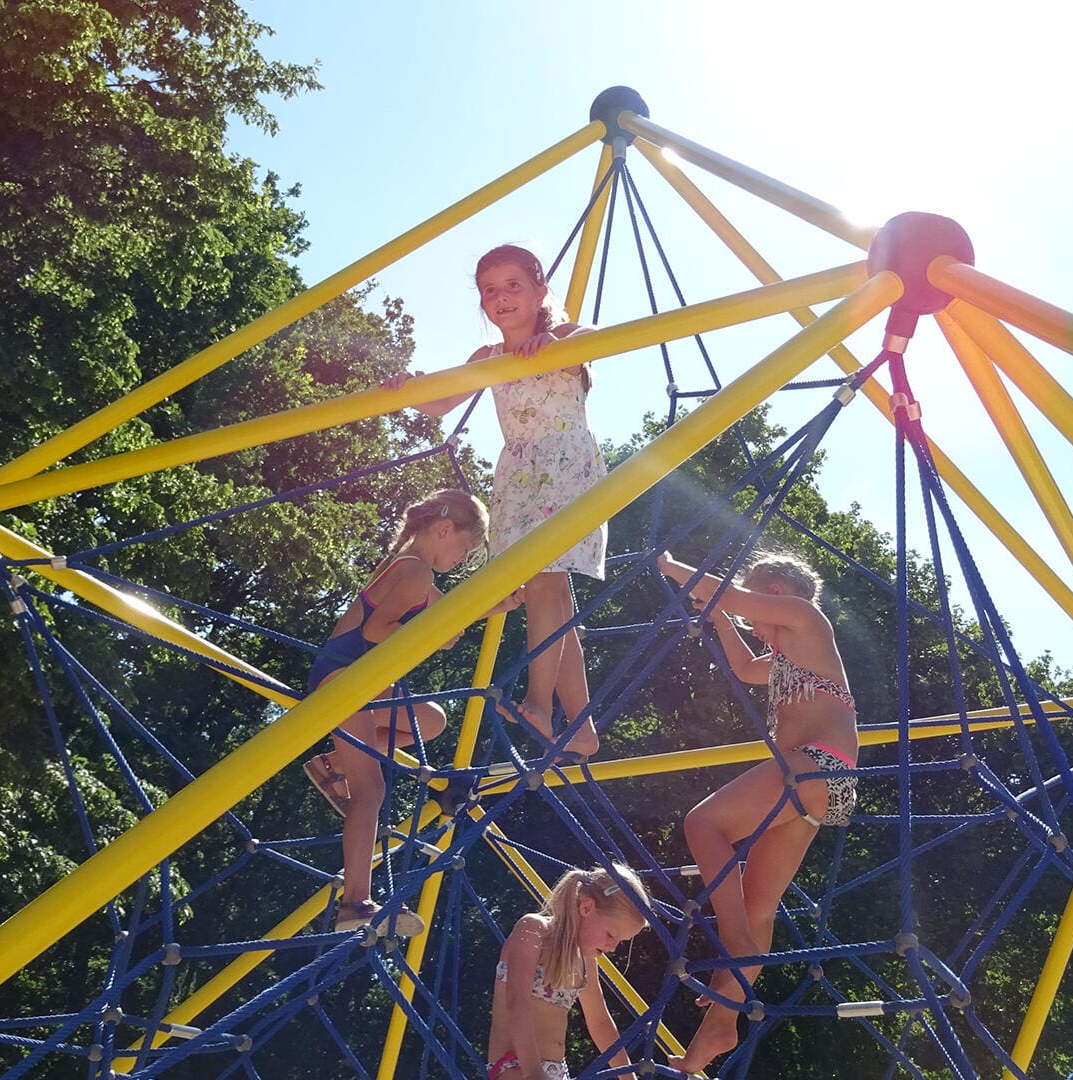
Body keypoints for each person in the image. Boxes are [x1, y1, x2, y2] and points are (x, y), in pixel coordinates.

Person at [383, 243, 605, 760]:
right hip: (518, 477)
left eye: (513, 286)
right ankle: (583, 726)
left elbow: (598, 337)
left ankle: (538, 701)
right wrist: (406, 388)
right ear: (482, 303)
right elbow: (439, 402)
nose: (501, 298)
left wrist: (554, 341)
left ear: (539, 291)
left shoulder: (565, 339)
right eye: (490, 291)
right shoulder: (488, 358)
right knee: (548, 592)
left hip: (565, 468)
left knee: (547, 581)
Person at [652, 550, 860, 1075]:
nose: (752, 624)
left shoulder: (807, 620)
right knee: (758, 903)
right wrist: (721, 618)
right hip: (823, 787)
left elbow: (736, 597)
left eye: (753, 611)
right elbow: (746, 669)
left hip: (816, 766)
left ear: (776, 593)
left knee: (704, 824)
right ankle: (718, 1028)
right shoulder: (787, 653)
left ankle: (737, 942)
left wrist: (677, 566)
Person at [302, 488, 525, 935]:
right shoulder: (415, 571)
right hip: (344, 679)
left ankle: (333, 763)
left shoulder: (418, 574)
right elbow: (378, 628)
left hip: (362, 684)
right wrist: (428, 633)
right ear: (443, 529)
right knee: (370, 792)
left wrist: (497, 604)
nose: (462, 559)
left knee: (430, 721)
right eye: (463, 547)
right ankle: (356, 903)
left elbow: (455, 616)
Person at [487, 864, 651, 1080]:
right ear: (586, 908)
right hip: (516, 1066)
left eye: (621, 941)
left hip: (557, 1071)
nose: (613, 947)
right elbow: (518, 1002)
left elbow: (600, 1023)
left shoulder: (585, 960)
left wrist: (628, 1077)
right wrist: (533, 1072)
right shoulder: (534, 930)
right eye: (611, 935)